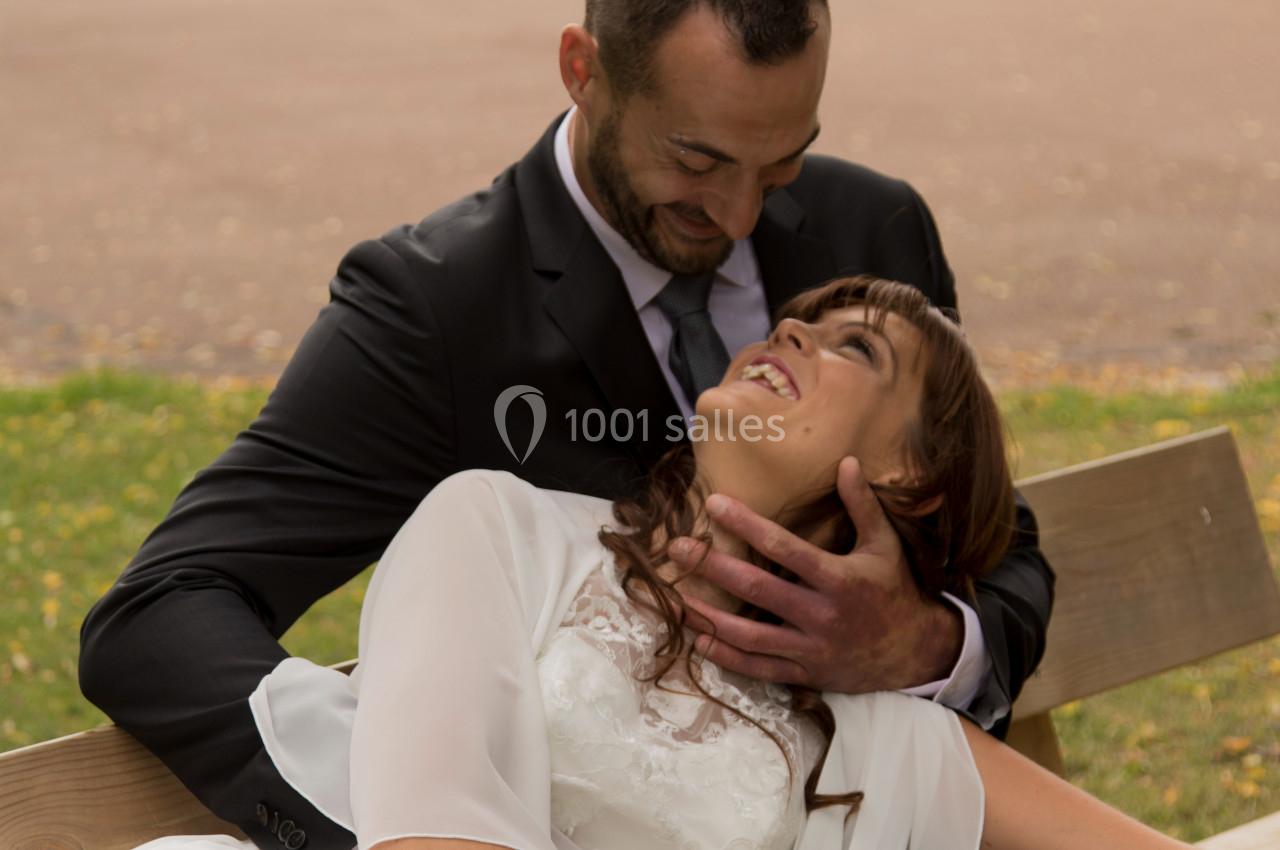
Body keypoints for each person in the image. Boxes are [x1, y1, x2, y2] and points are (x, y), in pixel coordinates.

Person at [79, 2, 1053, 848]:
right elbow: (160, 610)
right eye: (697, 159)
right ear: (582, 73)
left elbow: (994, 541)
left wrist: (925, 646)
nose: (743, 213)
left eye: (781, 163)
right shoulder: (439, 310)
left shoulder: (871, 231)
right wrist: (413, 807)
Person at [132, 277, 1182, 850]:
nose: (791, 334)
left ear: (910, 478)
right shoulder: (499, 528)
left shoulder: (892, 739)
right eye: (794, 322)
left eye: (853, 349)